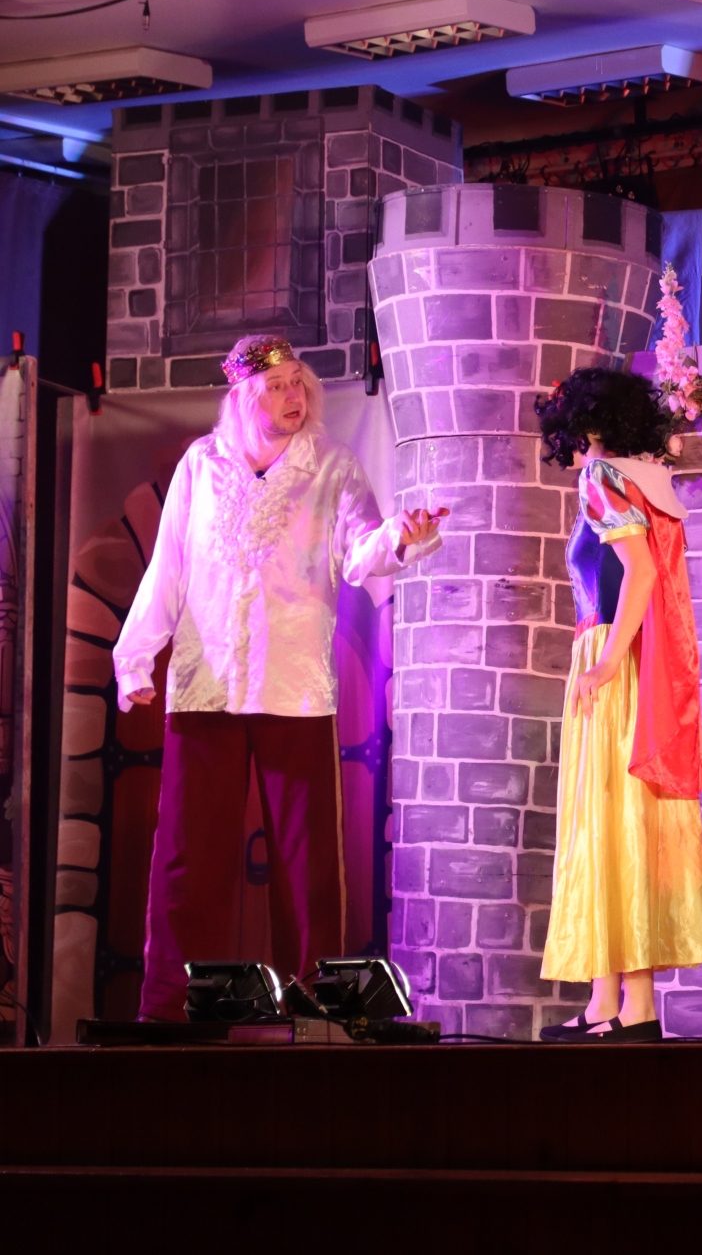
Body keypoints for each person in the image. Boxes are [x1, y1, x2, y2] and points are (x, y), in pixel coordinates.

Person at [115, 334, 445, 1021]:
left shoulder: (332, 464)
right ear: (244, 397)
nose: (294, 397)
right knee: (187, 857)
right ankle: (171, 1006)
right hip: (206, 685)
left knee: (307, 862)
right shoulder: (201, 465)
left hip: (294, 689)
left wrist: (402, 536)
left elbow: (361, 552)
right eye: (277, 387)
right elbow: (168, 568)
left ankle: (313, 1004)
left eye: (299, 383)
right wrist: (135, 658)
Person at [533, 367, 702, 1042]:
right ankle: (613, 1002)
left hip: (612, 652)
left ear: (584, 426)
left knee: (605, 818)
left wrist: (606, 663)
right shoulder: (651, 480)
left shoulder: (602, 476)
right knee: (623, 823)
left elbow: (638, 571)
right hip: (645, 659)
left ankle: (625, 1006)